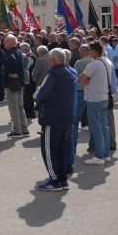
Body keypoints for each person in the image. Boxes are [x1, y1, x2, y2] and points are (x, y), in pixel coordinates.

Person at [34, 48, 76, 191]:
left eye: (49, 58)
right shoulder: (69, 74)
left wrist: (37, 94)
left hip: (52, 118)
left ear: (53, 59)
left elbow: (39, 95)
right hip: (66, 117)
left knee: (49, 151)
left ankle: (55, 181)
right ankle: (63, 179)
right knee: (62, 150)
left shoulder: (52, 74)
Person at [78, 41, 113, 165]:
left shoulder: (94, 64)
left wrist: (87, 79)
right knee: (103, 127)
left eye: (90, 50)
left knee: (96, 128)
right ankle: (105, 154)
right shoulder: (107, 61)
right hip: (103, 97)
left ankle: (99, 156)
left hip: (94, 98)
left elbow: (81, 79)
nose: (89, 52)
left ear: (94, 51)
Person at [2, 34, 28, 138]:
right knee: (20, 106)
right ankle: (24, 129)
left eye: (6, 40)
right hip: (20, 83)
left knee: (14, 107)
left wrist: (11, 73)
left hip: (12, 84)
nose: (4, 42)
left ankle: (17, 130)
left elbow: (12, 60)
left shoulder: (10, 53)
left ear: (11, 42)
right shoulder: (19, 52)